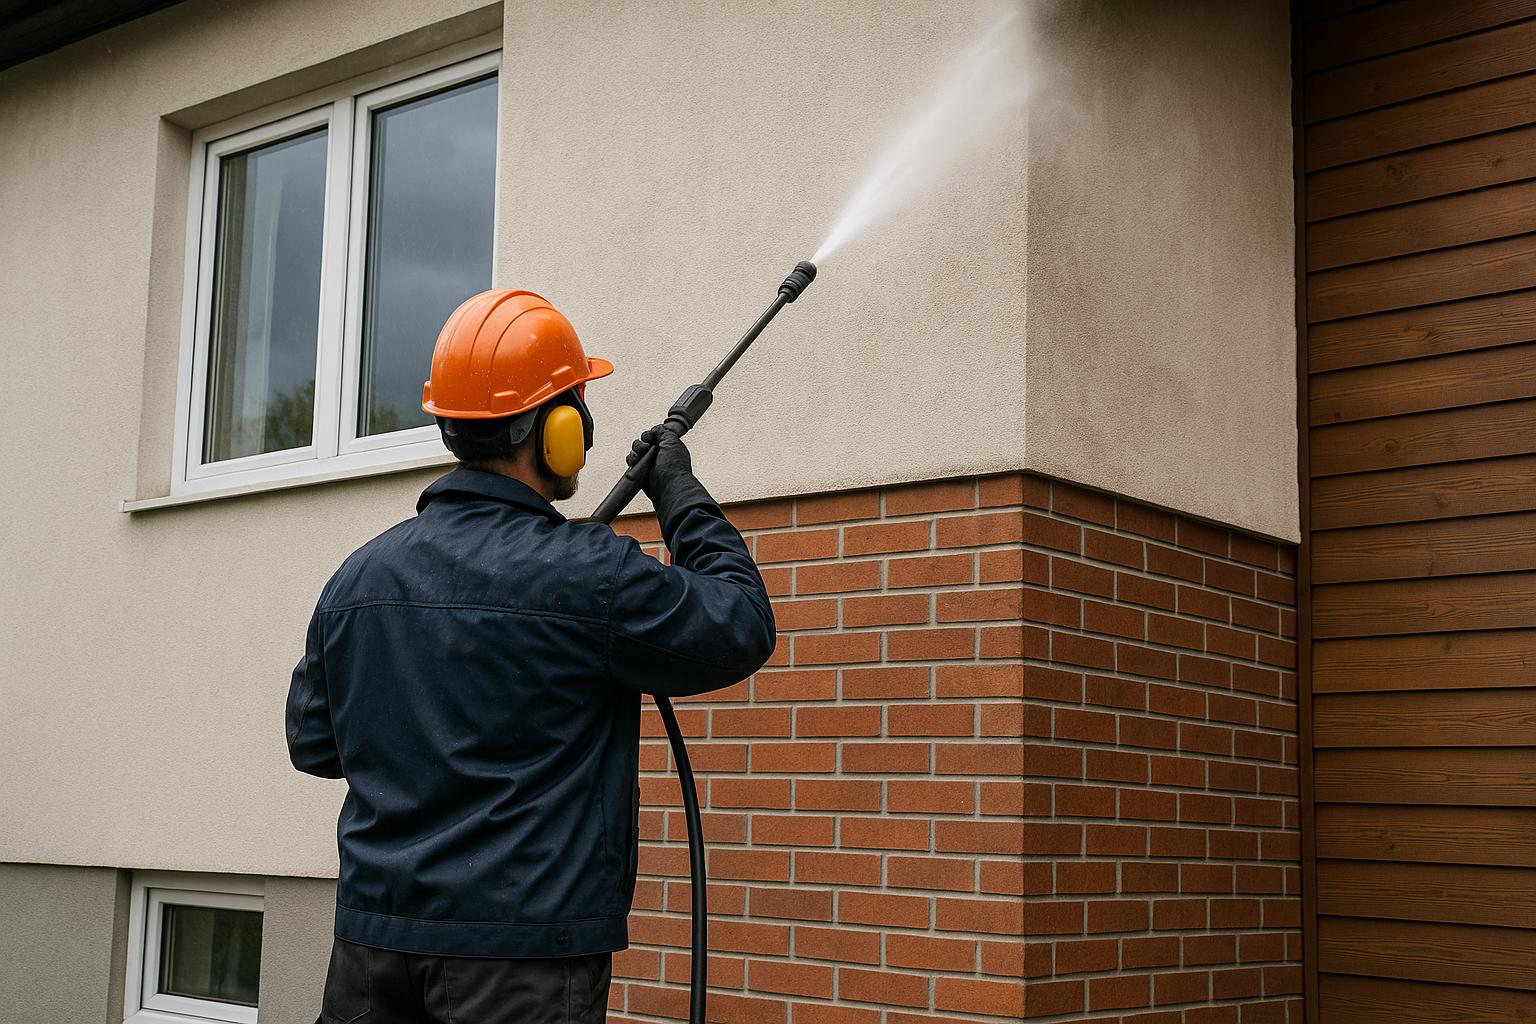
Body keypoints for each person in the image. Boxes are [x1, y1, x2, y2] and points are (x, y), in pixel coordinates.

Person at [285, 289, 776, 1024]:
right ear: (557, 430)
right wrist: (678, 490)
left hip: (370, 951)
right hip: (521, 966)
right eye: (576, 406)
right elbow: (739, 622)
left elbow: (316, 747)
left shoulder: (358, 577)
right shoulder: (589, 575)